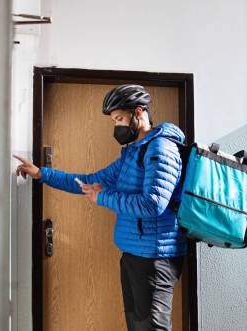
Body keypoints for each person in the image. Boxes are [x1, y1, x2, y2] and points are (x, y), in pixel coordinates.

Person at [13, 84, 188, 331]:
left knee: (152, 328)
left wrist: (104, 197)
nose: (116, 126)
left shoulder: (161, 148)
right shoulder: (133, 153)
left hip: (155, 257)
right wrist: (42, 173)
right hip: (133, 254)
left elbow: (153, 204)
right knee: (138, 326)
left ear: (138, 113)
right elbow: (90, 181)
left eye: (119, 118)